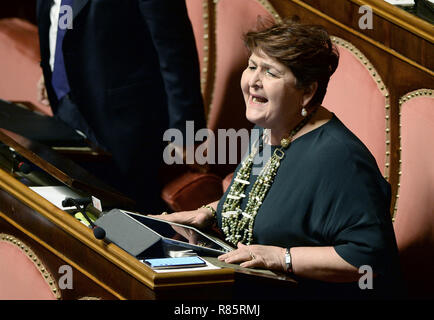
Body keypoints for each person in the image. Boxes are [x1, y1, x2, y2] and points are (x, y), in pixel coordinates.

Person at [151, 20, 405, 299]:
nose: (253, 81)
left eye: (270, 72)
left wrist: (281, 258)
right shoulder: (271, 125)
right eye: (251, 67)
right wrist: (210, 212)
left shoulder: (340, 159)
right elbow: (266, 200)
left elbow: (368, 258)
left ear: (307, 92)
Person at [36, 0, 206, 212]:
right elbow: (59, 16)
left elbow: (175, 49)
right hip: (66, 102)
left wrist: (186, 132)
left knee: (131, 219)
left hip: (125, 124)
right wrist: (52, 69)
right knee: (73, 207)